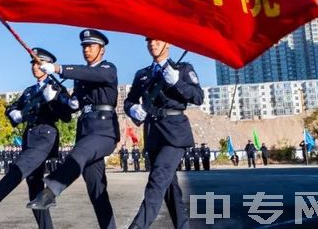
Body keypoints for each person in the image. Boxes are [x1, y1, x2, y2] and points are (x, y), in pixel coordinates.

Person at [0, 48, 72, 229]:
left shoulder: (56, 87)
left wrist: (53, 100)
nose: (34, 67)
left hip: (45, 135)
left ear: (46, 66)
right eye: (32, 64)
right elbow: (13, 107)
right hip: (30, 136)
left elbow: (67, 116)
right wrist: (13, 113)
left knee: (19, 166)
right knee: (34, 186)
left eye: (38, 64)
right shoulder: (30, 91)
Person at [27, 29, 119, 229]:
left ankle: (50, 192)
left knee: (80, 152)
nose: (87, 50)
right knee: (97, 190)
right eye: (84, 46)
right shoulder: (80, 78)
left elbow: (91, 74)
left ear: (102, 50)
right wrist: (60, 99)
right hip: (85, 130)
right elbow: (74, 105)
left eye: (91, 46)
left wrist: (58, 68)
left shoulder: (107, 68)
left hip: (104, 132)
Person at [124, 37, 204, 229]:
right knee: (170, 188)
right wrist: (134, 109)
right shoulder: (142, 74)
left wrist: (177, 82)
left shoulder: (183, 68)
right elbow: (129, 101)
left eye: (157, 40)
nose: (153, 44)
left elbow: (198, 97)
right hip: (153, 133)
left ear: (168, 43)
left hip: (175, 132)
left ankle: (138, 226)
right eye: (149, 41)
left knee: (157, 180)